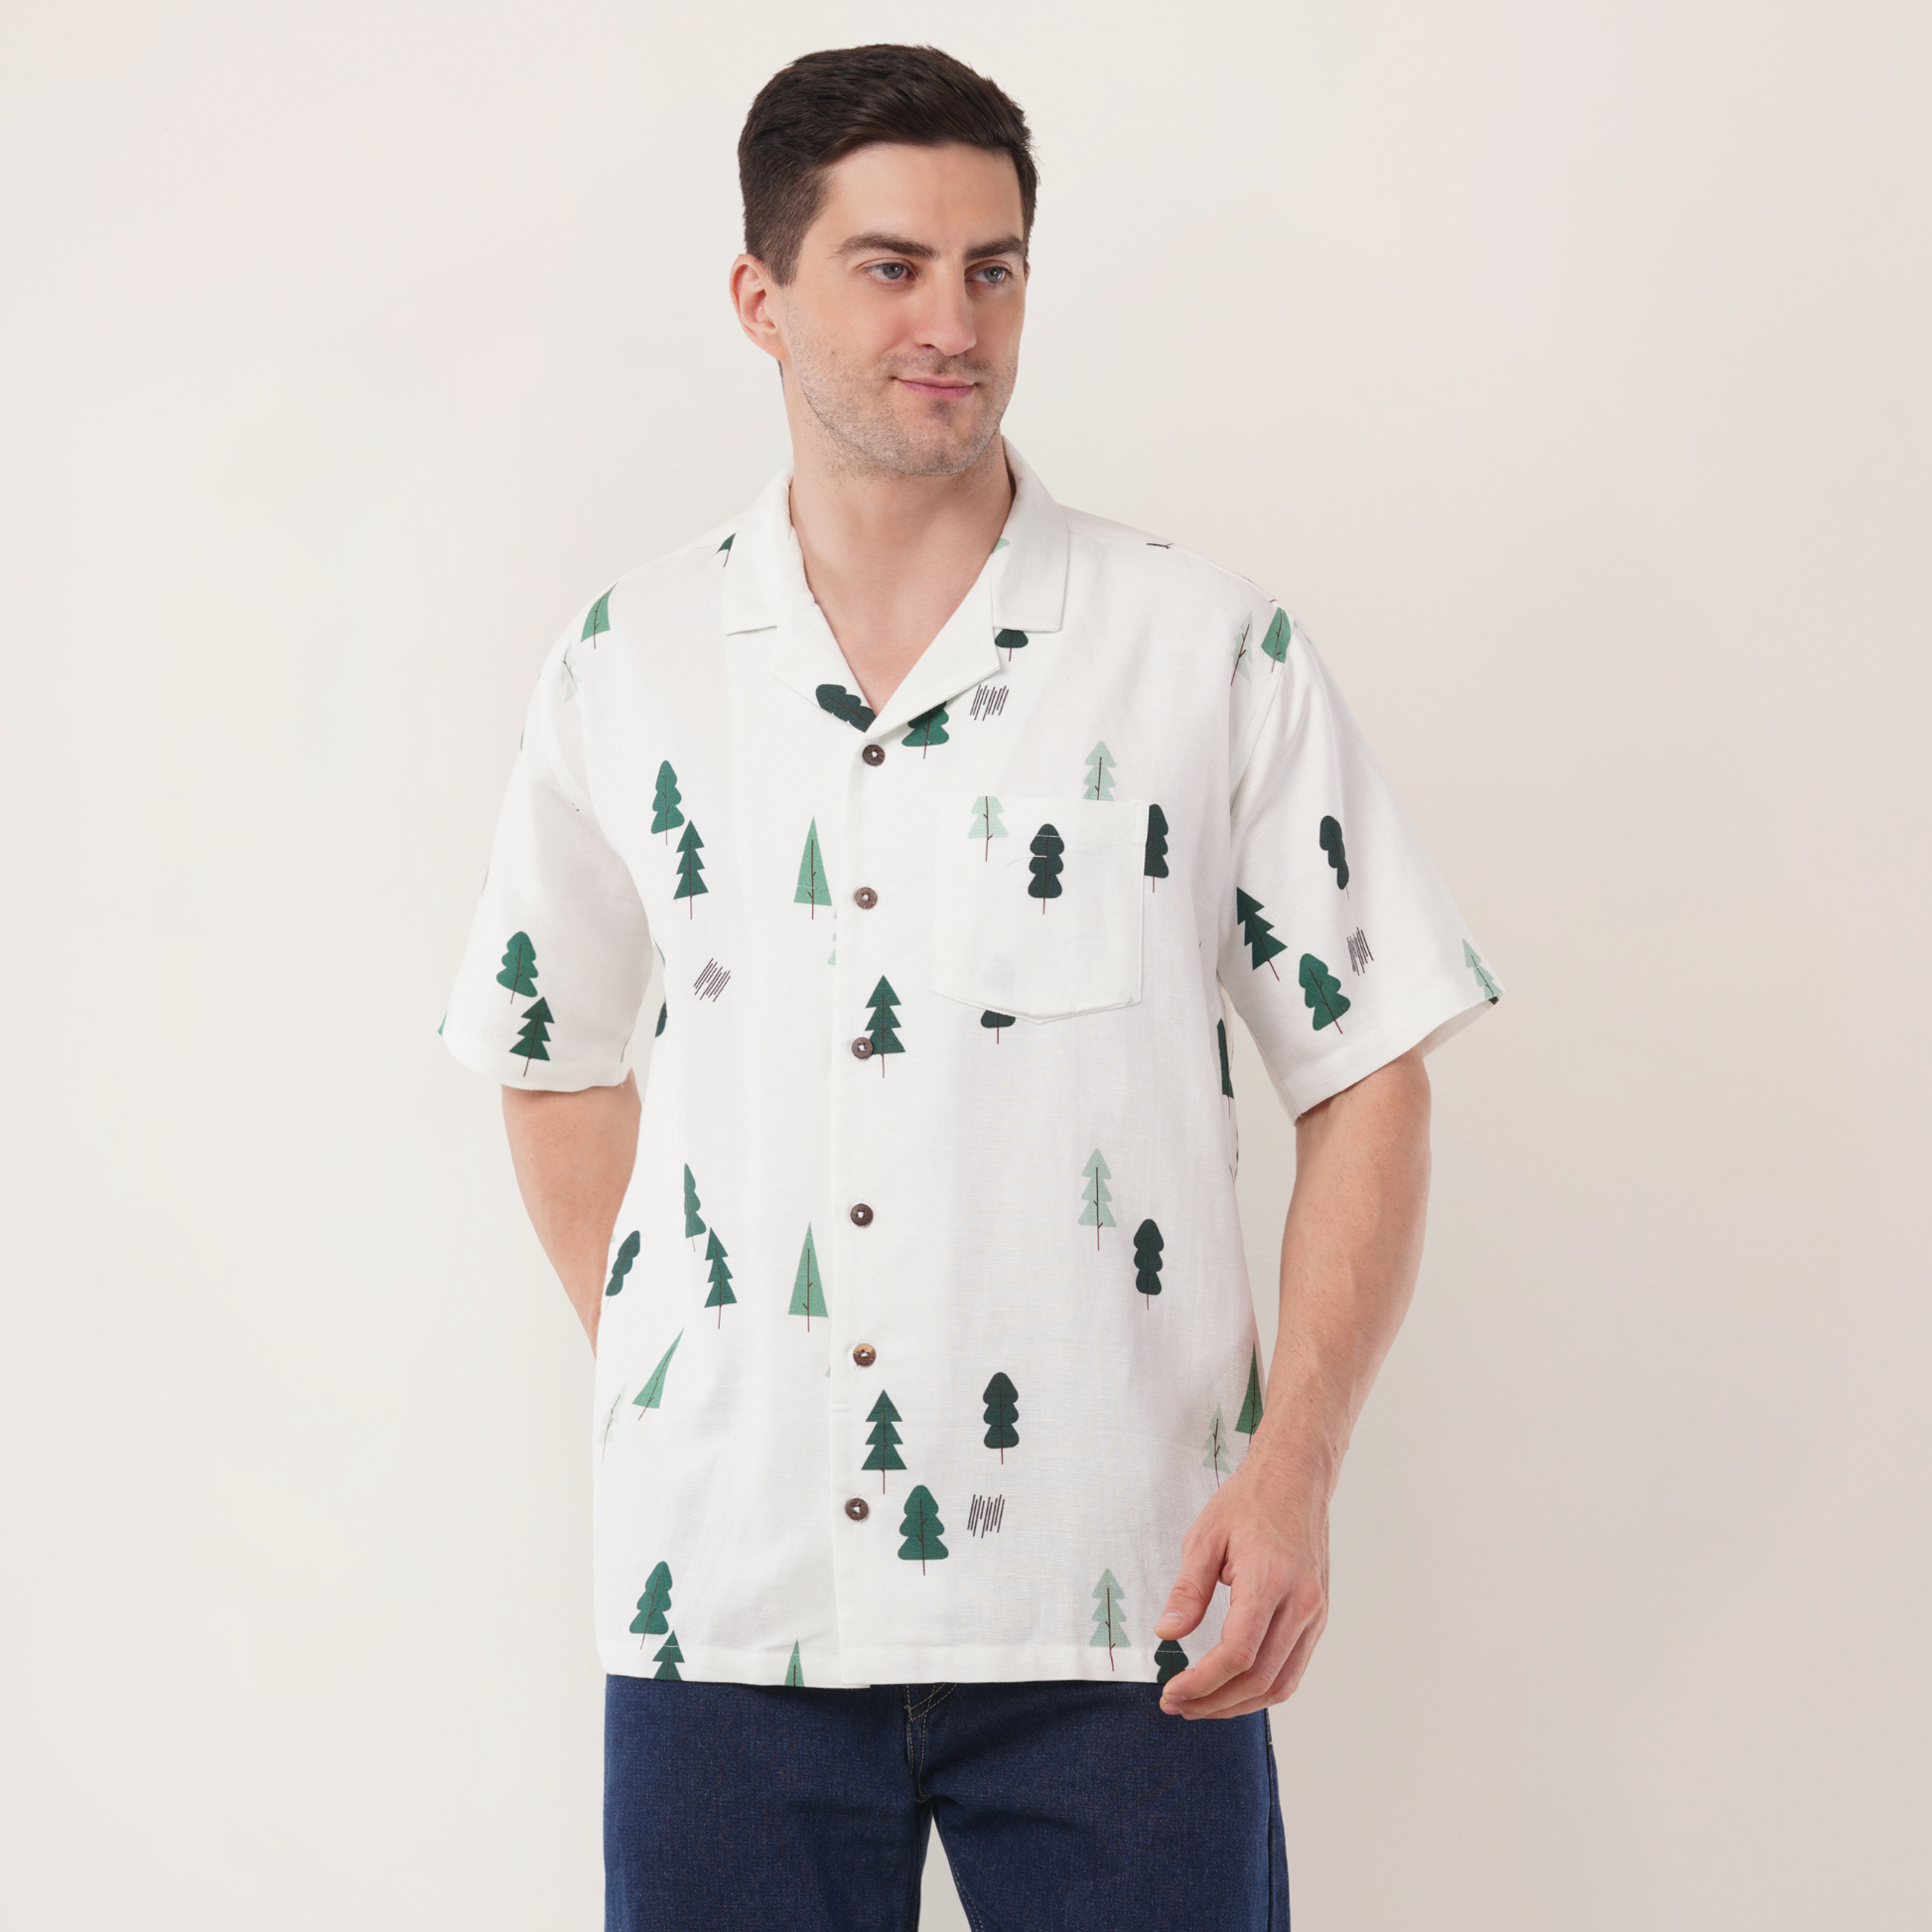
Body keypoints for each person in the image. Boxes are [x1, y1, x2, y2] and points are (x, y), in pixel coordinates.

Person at [440, 41, 1502, 1932]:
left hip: (1134, 1597)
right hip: (724, 1606)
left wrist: (1295, 1468)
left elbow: (1366, 1064)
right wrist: (687, 1366)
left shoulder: (1204, 651)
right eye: (891, 266)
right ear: (759, 296)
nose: (953, 321)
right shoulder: (628, 662)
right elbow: (547, 1049)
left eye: (991, 268)